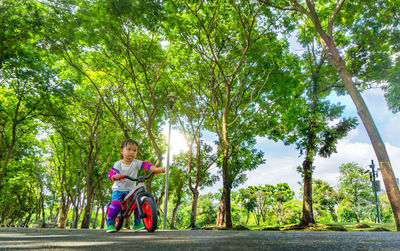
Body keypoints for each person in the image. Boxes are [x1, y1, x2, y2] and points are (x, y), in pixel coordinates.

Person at [106, 138, 165, 233]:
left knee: (138, 203)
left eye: (134, 150)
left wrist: (154, 168)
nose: (132, 152)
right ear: (122, 151)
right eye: (129, 149)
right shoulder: (118, 164)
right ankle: (110, 224)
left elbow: (146, 165)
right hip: (119, 189)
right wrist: (114, 176)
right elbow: (112, 172)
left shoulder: (136, 163)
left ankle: (137, 224)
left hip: (131, 189)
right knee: (116, 206)